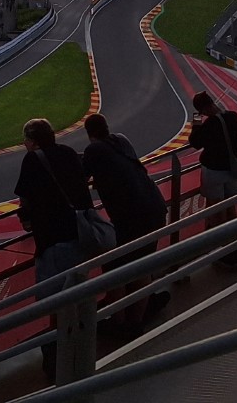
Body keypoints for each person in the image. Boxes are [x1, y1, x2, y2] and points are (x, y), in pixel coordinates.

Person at [14, 117, 92, 379]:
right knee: (76, 295)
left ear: (34, 141)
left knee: (56, 302)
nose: (25, 144)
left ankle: (60, 358)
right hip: (79, 233)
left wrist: (27, 218)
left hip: (52, 240)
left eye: (26, 140)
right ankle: (78, 349)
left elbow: (25, 198)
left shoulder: (32, 159)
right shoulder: (69, 152)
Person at [81, 113, 171, 328]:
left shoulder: (94, 150)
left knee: (118, 266)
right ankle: (138, 308)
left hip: (133, 216)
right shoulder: (121, 140)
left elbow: (80, 179)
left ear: (89, 134)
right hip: (154, 206)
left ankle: (125, 323)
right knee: (141, 262)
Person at [188, 91, 237, 267]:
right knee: (231, 209)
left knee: (217, 213)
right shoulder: (233, 117)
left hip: (214, 172)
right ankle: (234, 247)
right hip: (232, 170)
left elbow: (195, 143)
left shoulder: (209, 124)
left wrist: (196, 124)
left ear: (202, 110)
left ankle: (222, 251)